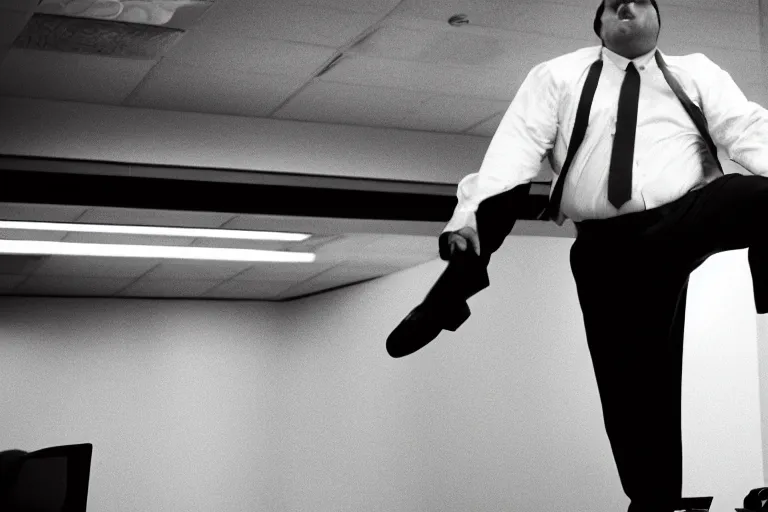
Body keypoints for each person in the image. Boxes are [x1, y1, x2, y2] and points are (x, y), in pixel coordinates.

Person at [387, 1, 768, 511]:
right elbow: (514, 152)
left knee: (763, 197)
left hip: (683, 218)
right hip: (606, 247)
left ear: (659, 19)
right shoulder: (558, 76)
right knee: (632, 386)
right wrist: (468, 219)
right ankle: (452, 289)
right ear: (600, 24)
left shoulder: (695, 73)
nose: (627, 6)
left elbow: (747, 130)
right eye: (615, 3)